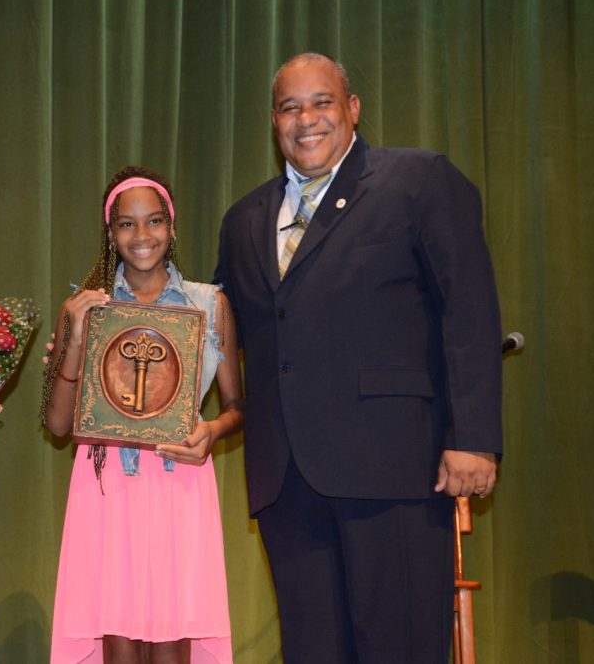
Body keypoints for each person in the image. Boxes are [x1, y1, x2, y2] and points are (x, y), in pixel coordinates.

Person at [213, 53, 503, 663]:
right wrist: (105, 325)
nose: (306, 119)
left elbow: (469, 310)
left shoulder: (418, 180)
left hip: (392, 466)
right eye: (290, 107)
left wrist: (473, 437)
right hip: (286, 480)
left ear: (352, 109)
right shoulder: (243, 220)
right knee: (312, 651)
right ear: (274, 121)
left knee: (398, 647)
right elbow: (212, 328)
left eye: (321, 102)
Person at [43, 166, 244, 663]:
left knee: (174, 641)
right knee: (119, 644)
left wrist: (212, 430)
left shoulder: (209, 305)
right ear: (110, 233)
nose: (142, 236)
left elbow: (238, 406)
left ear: (171, 227)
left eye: (153, 222)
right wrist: (76, 331)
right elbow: (59, 426)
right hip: (107, 485)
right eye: (127, 224)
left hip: (179, 478)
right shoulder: (90, 306)